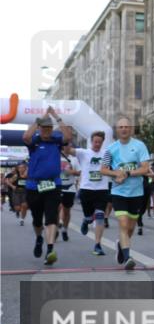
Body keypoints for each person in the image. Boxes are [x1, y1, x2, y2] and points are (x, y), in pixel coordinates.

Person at [22, 109, 73, 265]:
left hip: (53, 185)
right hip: (34, 185)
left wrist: (56, 117)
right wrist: (41, 118)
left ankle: (50, 249)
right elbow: (26, 136)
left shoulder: (56, 140)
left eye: (49, 128)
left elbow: (68, 136)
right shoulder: (35, 141)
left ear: (52, 129)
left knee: (51, 217)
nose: (46, 131)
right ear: (39, 128)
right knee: (37, 219)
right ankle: (39, 238)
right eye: (44, 128)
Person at [100, 116, 150, 271]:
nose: (124, 129)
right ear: (117, 130)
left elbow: (144, 168)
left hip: (136, 192)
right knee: (123, 223)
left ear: (131, 129)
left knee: (130, 228)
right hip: (118, 191)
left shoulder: (140, 145)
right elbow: (103, 169)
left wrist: (127, 173)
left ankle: (121, 245)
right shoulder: (110, 149)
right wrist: (116, 174)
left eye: (126, 127)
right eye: (121, 127)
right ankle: (128, 257)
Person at [76, 130, 111, 255]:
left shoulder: (106, 154)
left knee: (100, 216)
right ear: (91, 141)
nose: (97, 144)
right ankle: (86, 220)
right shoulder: (83, 153)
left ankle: (97, 244)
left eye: (99, 142)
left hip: (102, 189)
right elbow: (67, 150)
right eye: (95, 142)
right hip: (87, 189)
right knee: (90, 217)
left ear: (102, 142)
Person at [57, 145, 80, 242]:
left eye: (70, 146)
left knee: (67, 211)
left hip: (70, 187)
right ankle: (55, 229)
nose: (69, 147)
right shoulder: (55, 158)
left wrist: (69, 171)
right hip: (57, 186)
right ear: (62, 147)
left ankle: (65, 230)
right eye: (66, 145)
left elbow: (79, 172)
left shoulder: (74, 159)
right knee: (57, 208)